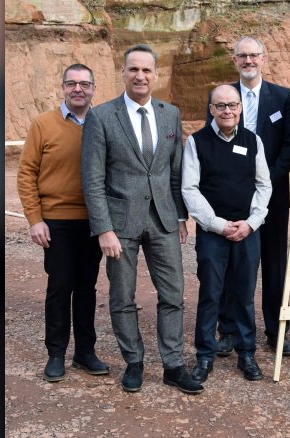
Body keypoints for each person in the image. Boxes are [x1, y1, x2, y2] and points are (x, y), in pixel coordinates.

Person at [81, 44, 202, 395]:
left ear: (155, 75)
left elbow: (175, 169)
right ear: (122, 73)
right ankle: (134, 362)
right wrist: (103, 228)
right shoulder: (101, 116)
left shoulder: (170, 114)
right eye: (133, 69)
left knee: (174, 293)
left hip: (164, 219)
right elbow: (92, 178)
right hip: (120, 224)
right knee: (122, 296)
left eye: (147, 70)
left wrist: (181, 215)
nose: (140, 76)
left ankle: (173, 365)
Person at [17, 64, 109, 382]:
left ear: (94, 88)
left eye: (84, 84)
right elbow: (26, 173)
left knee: (86, 288)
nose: (78, 89)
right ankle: (55, 354)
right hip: (56, 222)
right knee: (59, 287)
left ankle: (85, 352)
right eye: (72, 84)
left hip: (94, 222)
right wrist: (34, 219)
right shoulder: (43, 124)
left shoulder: (104, 122)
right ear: (63, 88)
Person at [207, 36, 290, 358]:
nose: (248, 60)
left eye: (253, 55)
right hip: (232, 198)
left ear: (263, 57)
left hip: (273, 197)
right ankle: (228, 330)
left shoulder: (283, 97)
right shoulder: (223, 97)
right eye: (242, 56)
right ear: (235, 60)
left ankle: (276, 330)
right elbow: (214, 143)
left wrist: (266, 183)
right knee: (232, 265)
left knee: (274, 264)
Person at [183, 84, 272, 382]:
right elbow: (190, 189)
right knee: (211, 293)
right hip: (213, 232)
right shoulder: (197, 142)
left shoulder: (253, 140)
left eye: (232, 105)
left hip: (248, 230)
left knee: (245, 293)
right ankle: (205, 355)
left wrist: (252, 222)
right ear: (211, 109)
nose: (227, 111)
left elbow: (263, 185)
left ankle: (246, 353)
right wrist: (219, 225)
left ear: (240, 108)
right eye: (220, 106)